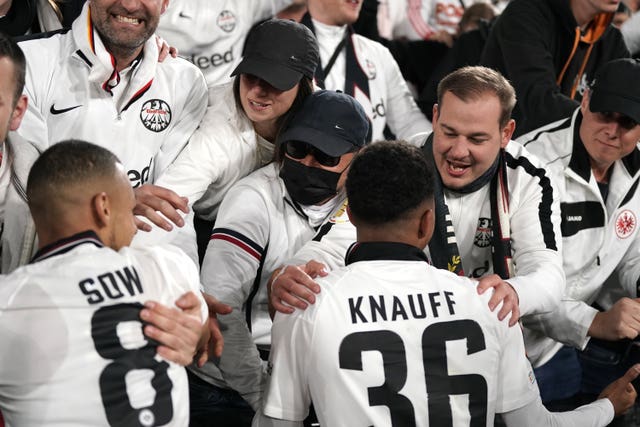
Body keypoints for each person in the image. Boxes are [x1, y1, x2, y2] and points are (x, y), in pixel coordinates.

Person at [254, 140, 639, 427]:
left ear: (350, 214)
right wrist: (606, 406)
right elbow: (534, 426)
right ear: (428, 223)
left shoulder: (306, 305)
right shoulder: (492, 305)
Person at [270, 66, 563, 331]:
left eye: (476, 139)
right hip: (416, 337)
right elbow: (338, 238)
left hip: (504, 337)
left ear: (505, 133)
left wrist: (513, 293)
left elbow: (547, 275)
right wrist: (295, 271)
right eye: (449, 132)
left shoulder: (529, 177)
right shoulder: (397, 160)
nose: (459, 152)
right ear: (435, 117)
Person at [190, 90, 370, 427]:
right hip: (227, 385)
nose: (307, 164)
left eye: (325, 156)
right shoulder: (252, 197)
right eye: (297, 149)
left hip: (305, 377)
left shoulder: (365, 205)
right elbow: (221, 309)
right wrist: (268, 398)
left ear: (356, 160)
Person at [0, 140, 209, 426]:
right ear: (103, 207)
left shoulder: (9, 302)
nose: (135, 226)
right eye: (130, 208)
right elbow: (203, 329)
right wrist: (198, 334)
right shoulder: (168, 267)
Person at [517, 58, 640, 417]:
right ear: (584, 101)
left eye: (628, 122)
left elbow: (630, 253)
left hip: (575, 347)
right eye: (605, 114)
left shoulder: (636, 169)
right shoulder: (533, 165)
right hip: (519, 348)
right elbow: (521, 282)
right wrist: (596, 323)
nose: (613, 132)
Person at [138, 18, 319, 263]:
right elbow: (168, 205)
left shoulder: (320, 117)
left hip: (280, 230)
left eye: (275, 80)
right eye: (251, 75)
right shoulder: (218, 127)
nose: (257, 91)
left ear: (306, 84)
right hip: (205, 227)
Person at [15, 0, 207, 222]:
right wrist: (120, 204)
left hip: (142, 250)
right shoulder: (25, 62)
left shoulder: (186, 81)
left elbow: (169, 211)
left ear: (164, 4)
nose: (130, 4)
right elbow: (24, 193)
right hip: (52, 251)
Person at [481, 0, 630, 137]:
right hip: (511, 149)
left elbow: (630, 99)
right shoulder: (525, 15)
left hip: (571, 150)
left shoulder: (612, 40)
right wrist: (601, 122)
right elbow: (540, 101)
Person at [301, 0, 431, 142]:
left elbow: (408, 122)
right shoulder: (284, 47)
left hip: (370, 162)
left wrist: (433, 145)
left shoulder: (378, 53)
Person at [156, 0, 304, 88]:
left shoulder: (243, 3)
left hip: (225, 105)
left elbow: (297, 4)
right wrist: (150, 40)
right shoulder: (158, 7)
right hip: (169, 97)